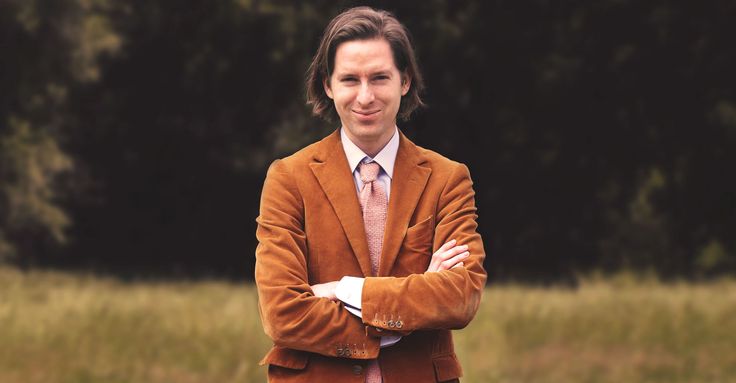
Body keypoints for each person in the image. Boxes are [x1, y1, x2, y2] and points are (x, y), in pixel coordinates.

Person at [255, 6, 486, 383]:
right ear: (328, 85)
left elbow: (459, 297)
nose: (365, 97)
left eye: (379, 77)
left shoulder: (448, 179)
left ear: (405, 81)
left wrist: (345, 290)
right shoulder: (288, 179)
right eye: (350, 79)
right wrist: (406, 310)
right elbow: (283, 314)